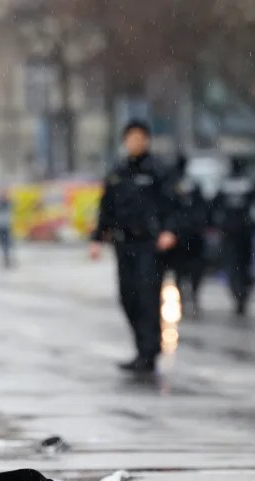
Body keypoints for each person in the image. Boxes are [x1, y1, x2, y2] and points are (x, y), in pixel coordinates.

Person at [90, 120, 177, 374]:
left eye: (139, 137)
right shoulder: (118, 172)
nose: (135, 142)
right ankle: (142, 347)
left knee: (148, 297)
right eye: (130, 138)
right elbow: (106, 208)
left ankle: (149, 351)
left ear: (146, 140)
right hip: (123, 242)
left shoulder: (158, 171)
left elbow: (172, 204)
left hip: (149, 244)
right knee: (127, 297)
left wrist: (169, 231)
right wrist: (97, 238)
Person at [210, 158, 255, 316]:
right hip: (244, 232)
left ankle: (239, 294)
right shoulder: (248, 185)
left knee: (233, 266)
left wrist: (210, 223)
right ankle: (242, 295)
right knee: (243, 266)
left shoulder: (225, 186)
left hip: (231, 232)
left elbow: (212, 208)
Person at [169, 156, 210, 316]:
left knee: (182, 270)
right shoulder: (191, 185)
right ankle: (191, 294)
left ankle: (187, 295)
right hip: (190, 235)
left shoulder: (173, 184)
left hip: (183, 235)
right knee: (193, 269)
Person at [0, 188, 14, 269]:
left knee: (7, 243)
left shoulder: (7, 202)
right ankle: (4, 258)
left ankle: (7, 258)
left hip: (6, 225)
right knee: (2, 243)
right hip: (1, 225)